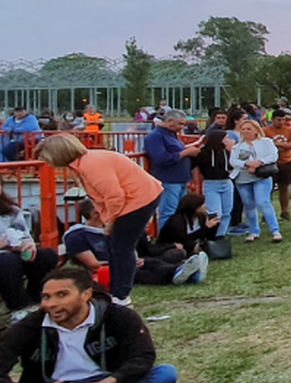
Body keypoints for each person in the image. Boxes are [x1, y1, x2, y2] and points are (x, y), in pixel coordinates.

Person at [0, 265, 178, 383]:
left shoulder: (118, 316)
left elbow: (143, 357)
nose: (51, 304)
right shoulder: (29, 326)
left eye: (62, 295)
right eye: (46, 297)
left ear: (86, 295)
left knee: (164, 374)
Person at [36, 134, 162, 307]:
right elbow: (101, 198)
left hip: (137, 200)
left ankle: (121, 295)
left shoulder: (90, 165)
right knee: (114, 246)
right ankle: (116, 291)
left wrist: (110, 220)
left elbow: (115, 196)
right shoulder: (84, 163)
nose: (44, 161)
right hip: (135, 199)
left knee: (121, 248)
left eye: (45, 156)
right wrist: (108, 220)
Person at [64, 199, 207, 287]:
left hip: (122, 262)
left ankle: (180, 270)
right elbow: (92, 263)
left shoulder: (111, 228)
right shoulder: (77, 235)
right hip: (103, 271)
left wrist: (132, 258)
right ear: (95, 214)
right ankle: (182, 273)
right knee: (140, 274)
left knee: (151, 263)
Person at [0, 190, 59, 322]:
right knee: (7, 262)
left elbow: (23, 233)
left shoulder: (11, 211)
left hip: (15, 252)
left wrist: (27, 244)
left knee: (47, 255)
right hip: (4, 259)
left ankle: (38, 300)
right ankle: (19, 307)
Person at [142, 109, 202, 226]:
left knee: (180, 212)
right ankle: (166, 240)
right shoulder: (155, 137)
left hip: (179, 179)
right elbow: (161, 158)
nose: (182, 127)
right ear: (170, 121)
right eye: (180, 124)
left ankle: (178, 237)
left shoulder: (172, 135)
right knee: (168, 212)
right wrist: (185, 153)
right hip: (167, 179)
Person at [229, 118, 282, 245]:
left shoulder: (266, 142)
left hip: (261, 176)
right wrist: (247, 163)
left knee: (262, 202)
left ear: (256, 130)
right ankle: (253, 230)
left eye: (249, 129)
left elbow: (273, 155)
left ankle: (275, 230)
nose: (246, 131)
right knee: (248, 204)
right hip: (243, 178)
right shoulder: (237, 147)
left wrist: (258, 163)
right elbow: (233, 161)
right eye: (243, 129)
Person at [263, 108, 291, 222]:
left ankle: (285, 211)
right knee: (268, 189)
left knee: (284, 188)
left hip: (286, 162)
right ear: (273, 119)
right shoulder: (265, 130)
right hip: (270, 163)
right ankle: (266, 213)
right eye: (279, 120)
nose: (281, 122)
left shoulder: (290, 130)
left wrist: (281, 144)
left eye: (283, 120)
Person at [194, 127, 235, 237]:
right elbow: (195, 165)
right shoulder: (204, 153)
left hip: (226, 182)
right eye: (226, 138)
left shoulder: (227, 152)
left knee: (227, 212)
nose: (228, 140)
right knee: (215, 212)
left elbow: (233, 166)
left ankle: (221, 235)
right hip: (211, 183)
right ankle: (211, 234)